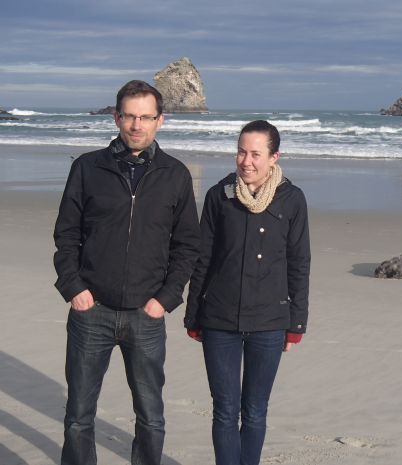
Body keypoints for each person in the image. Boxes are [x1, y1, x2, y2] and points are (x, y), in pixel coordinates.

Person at [53, 80, 201, 465]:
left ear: (160, 120)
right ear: (117, 117)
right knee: (78, 418)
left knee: (151, 417)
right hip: (91, 312)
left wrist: (165, 300)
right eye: (130, 116)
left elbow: (187, 246)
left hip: (146, 315)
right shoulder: (88, 168)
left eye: (146, 117)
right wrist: (73, 288)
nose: (137, 125)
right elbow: (66, 234)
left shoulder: (175, 175)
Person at [184, 120, 310, 465]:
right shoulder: (219, 196)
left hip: (270, 321)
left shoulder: (292, 199)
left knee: (255, 410)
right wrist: (193, 315)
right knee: (224, 411)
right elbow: (202, 260)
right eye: (241, 151)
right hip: (219, 320)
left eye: (255, 153)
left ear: (274, 157)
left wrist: (296, 323)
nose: (246, 161)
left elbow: (299, 263)